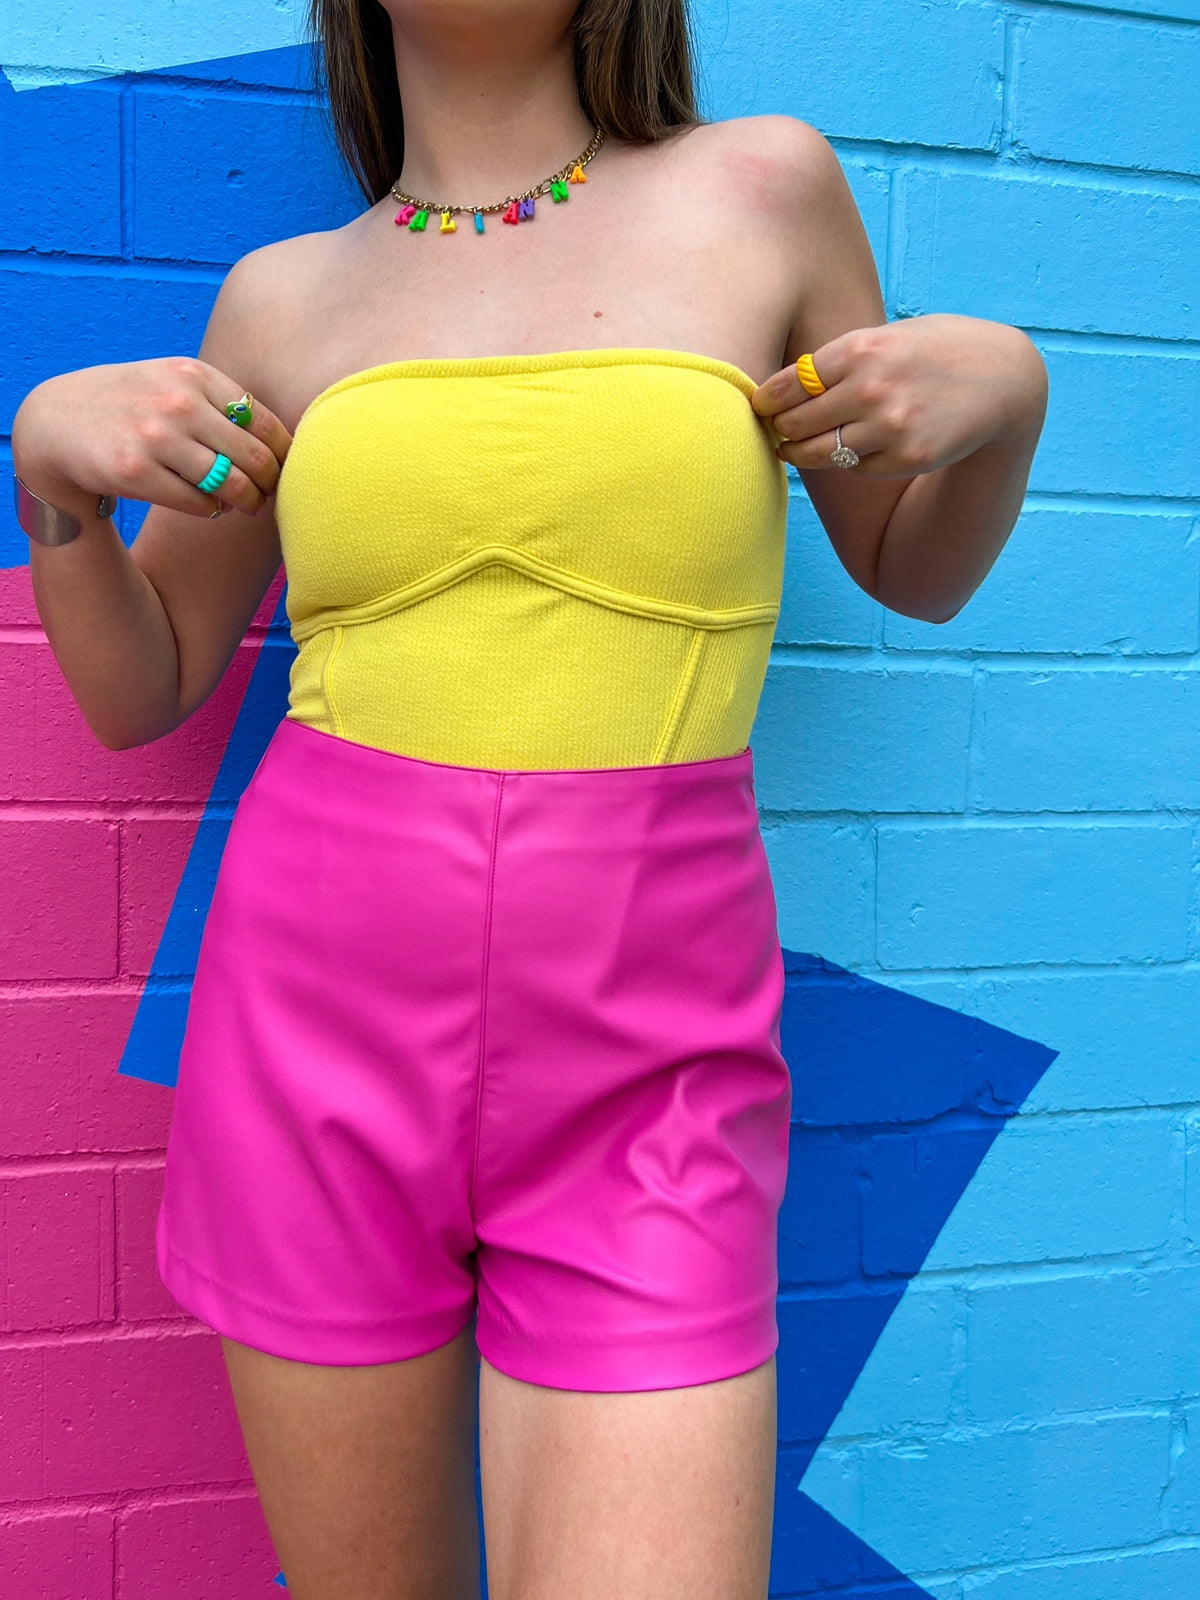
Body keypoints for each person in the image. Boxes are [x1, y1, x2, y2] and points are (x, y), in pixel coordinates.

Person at [10, 1, 1048, 1595]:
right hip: (311, 1052)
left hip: (654, 1069)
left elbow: (909, 568)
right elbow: (144, 684)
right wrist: (52, 484)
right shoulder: (279, 297)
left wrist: (1011, 398)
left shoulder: (765, 190)